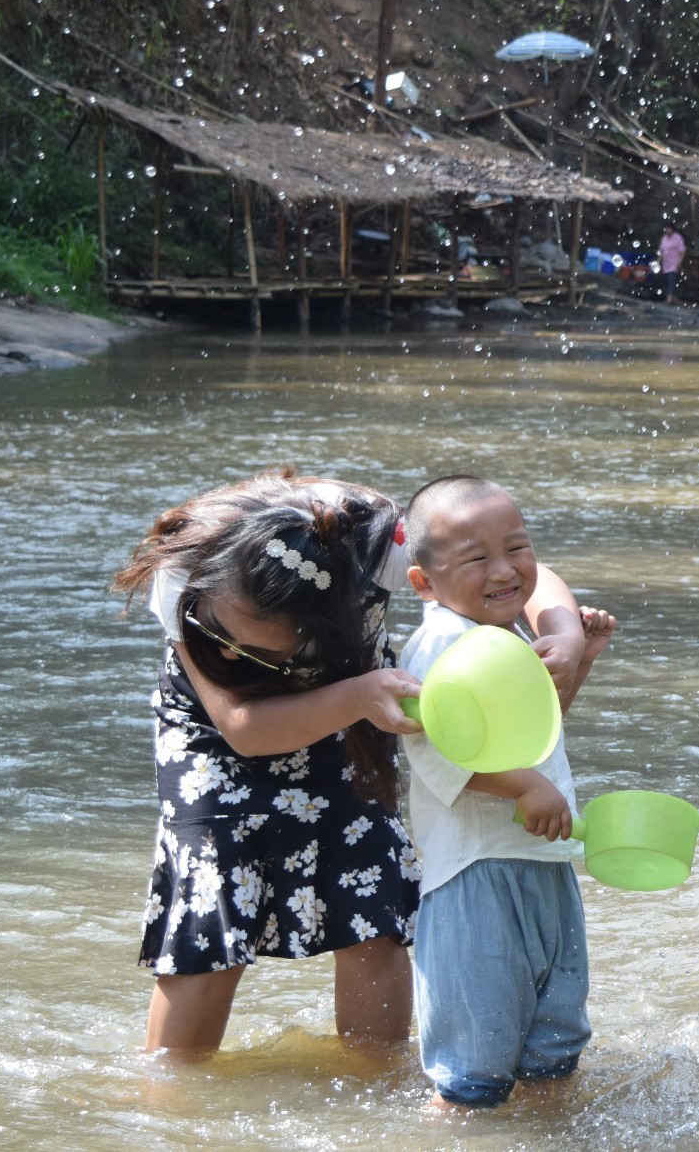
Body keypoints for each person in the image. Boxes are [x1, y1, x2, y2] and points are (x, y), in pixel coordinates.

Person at [115, 470, 598, 1059]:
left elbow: (520, 568)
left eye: (288, 648)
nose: (277, 665)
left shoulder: (369, 541)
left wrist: (565, 634)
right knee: (213, 906)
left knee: (371, 903)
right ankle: (170, 1095)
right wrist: (355, 697)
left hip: (358, 699)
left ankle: (378, 1081)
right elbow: (244, 726)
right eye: (249, 645)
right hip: (220, 735)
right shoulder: (186, 574)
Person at [397, 475, 618, 1108]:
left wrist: (582, 659)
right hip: (474, 875)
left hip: (542, 861)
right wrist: (523, 786)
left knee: (552, 1047)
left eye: (516, 548)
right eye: (476, 558)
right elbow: (430, 745)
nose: (505, 570)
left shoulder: (502, 635)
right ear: (424, 582)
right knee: (473, 1068)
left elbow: (534, 736)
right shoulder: (438, 644)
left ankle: (548, 1131)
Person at [658, 227, 686, 300]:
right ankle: (674, 298)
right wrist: (658, 261)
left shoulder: (677, 238)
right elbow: (662, 251)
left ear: (672, 229)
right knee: (666, 280)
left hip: (674, 263)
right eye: (666, 229)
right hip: (666, 263)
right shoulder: (664, 238)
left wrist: (680, 261)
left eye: (669, 228)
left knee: (671, 279)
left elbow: (682, 251)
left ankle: (669, 298)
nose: (667, 230)